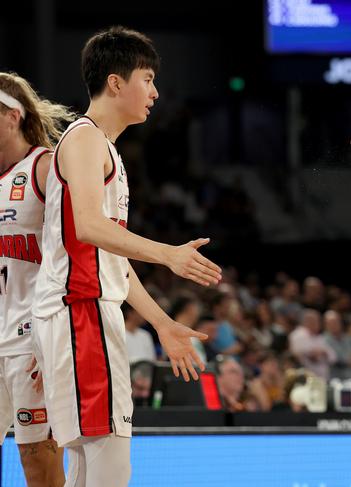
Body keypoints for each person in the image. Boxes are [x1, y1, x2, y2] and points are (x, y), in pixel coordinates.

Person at [30, 27, 222, 487]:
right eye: (148, 78)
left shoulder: (105, 149)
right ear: (116, 83)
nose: (155, 92)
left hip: (90, 312)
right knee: (110, 462)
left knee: (93, 464)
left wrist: (162, 322)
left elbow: (108, 256)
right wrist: (168, 255)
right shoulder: (84, 140)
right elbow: (88, 228)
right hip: (78, 312)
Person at [0, 71, 72, 487]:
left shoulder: (44, 167)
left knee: (38, 466)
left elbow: (85, 242)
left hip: (32, 341)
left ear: (12, 116)